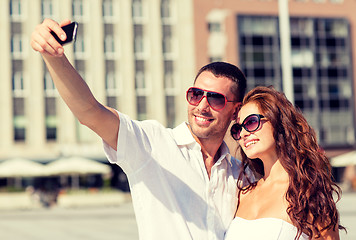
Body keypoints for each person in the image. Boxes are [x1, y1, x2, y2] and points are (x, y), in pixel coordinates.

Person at [31, 19, 248, 240]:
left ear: (235, 110)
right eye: (195, 94)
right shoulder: (153, 143)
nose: (202, 106)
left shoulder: (242, 175)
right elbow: (90, 111)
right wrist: (53, 57)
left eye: (215, 99)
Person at [225, 86, 345, 240]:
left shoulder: (307, 194)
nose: (243, 133)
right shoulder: (242, 193)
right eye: (237, 128)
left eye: (251, 122)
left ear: (278, 122)